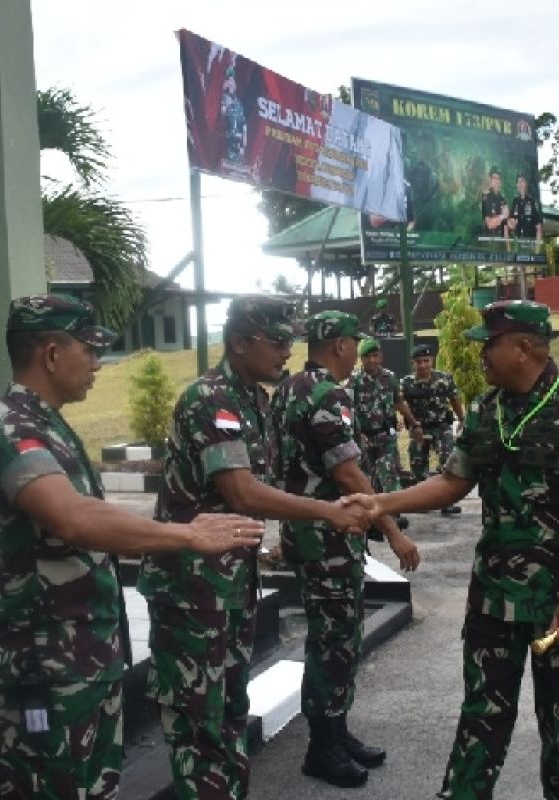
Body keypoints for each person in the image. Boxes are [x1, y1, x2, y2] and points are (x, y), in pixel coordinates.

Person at [0, 294, 264, 799]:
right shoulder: (11, 429)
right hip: (43, 667)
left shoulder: (48, 425)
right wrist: (189, 535)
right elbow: (75, 519)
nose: (98, 364)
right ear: (51, 354)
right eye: (89, 349)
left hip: (82, 656)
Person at [341, 300, 559, 800]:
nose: (481, 355)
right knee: (481, 718)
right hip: (493, 596)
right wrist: (379, 501)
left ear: (525, 347)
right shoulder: (485, 409)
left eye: (489, 345)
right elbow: (451, 483)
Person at [138, 297, 371, 800]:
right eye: (277, 341)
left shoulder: (257, 399)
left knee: (228, 714)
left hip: (232, 583)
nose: (288, 351)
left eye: (291, 340)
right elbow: (242, 491)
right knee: (201, 723)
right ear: (240, 342)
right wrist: (327, 511)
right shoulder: (211, 398)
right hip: (192, 589)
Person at [271, 310, 420, 789]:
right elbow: (349, 474)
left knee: (330, 635)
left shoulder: (288, 389)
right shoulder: (327, 394)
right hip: (329, 537)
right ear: (338, 344)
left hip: (306, 531)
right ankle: (323, 746)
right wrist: (394, 531)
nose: (357, 350)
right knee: (335, 640)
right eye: (354, 341)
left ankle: (335, 731)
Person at [350, 338, 416, 535]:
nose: (371, 360)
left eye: (374, 356)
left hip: (385, 436)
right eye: (366, 357)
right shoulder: (354, 381)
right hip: (364, 437)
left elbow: (399, 402)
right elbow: (348, 409)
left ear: (380, 356)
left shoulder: (390, 377)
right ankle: (369, 520)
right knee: (364, 479)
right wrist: (355, 434)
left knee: (389, 475)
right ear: (361, 359)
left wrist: (412, 421)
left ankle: (393, 516)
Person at [401, 344, 466, 514]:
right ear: (412, 363)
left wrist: (462, 419)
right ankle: (423, 502)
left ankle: (447, 502)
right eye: (418, 362)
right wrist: (404, 422)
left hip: (441, 427)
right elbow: (400, 404)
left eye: (426, 361)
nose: (422, 365)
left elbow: (454, 399)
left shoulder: (444, 379)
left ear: (432, 361)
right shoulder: (406, 383)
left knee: (448, 461)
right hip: (419, 429)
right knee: (417, 464)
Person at [508, 172, 544, 242]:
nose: (520, 184)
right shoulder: (515, 202)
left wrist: (537, 250)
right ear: (516, 185)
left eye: (522, 181)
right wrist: (510, 224)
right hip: (517, 245)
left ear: (526, 183)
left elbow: (539, 228)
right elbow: (512, 225)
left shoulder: (533, 202)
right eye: (518, 182)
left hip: (530, 246)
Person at [480, 167, 509, 239]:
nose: (497, 181)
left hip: (501, 242)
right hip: (490, 241)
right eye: (494, 178)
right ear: (490, 180)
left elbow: (506, 227)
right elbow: (489, 224)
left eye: (499, 178)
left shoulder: (502, 199)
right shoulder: (486, 197)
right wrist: (502, 216)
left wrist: (508, 248)